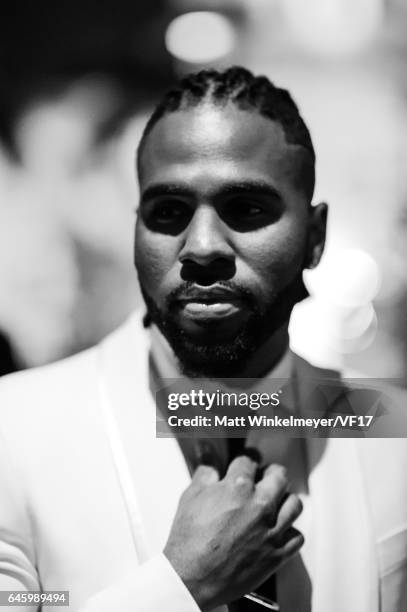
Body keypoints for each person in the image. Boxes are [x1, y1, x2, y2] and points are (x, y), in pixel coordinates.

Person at [0, 67, 406, 612]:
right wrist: (180, 587)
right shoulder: (15, 427)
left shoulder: (392, 434)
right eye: (168, 212)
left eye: (246, 209)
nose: (203, 246)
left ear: (315, 239)